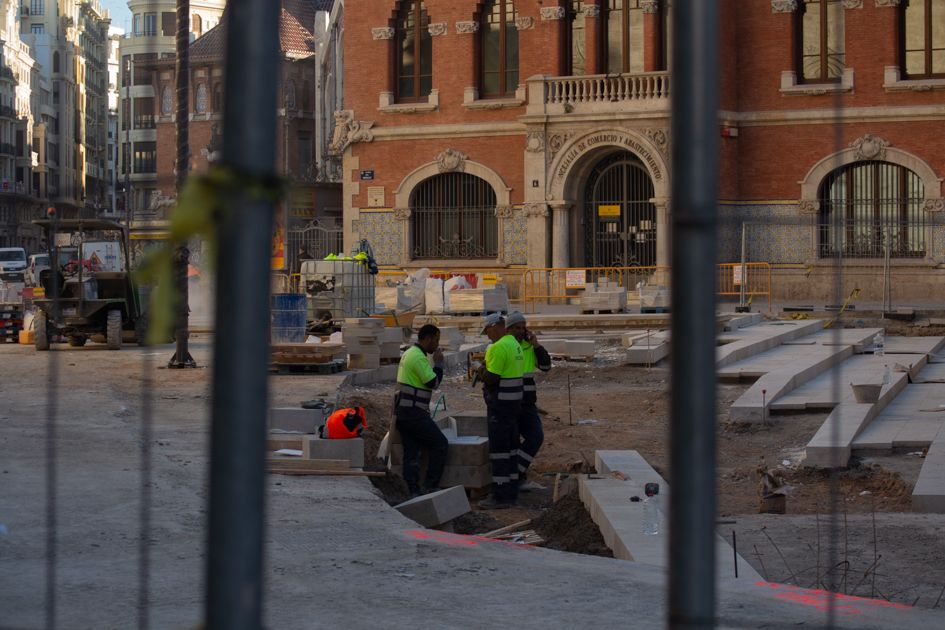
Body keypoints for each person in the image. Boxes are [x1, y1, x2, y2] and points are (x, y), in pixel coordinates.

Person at [477, 313, 525, 509]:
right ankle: (511, 490)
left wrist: (481, 371)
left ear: (495, 326)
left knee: (499, 453)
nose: (488, 336)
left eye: (487, 331)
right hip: (513, 408)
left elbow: (492, 378)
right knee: (512, 450)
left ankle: (500, 495)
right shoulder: (515, 345)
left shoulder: (498, 347)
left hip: (499, 408)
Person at [395, 324, 448, 498]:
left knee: (412, 452)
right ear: (427, 338)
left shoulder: (410, 353)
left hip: (405, 412)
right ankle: (431, 485)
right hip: (413, 413)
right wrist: (439, 365)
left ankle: (413, 490)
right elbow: (433, 383)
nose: (437, 344)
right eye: (436, 340)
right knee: (440, 443)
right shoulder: (417, 357)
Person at [505, 311, 551, 491]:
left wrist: (537, 345)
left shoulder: (529, 346)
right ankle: (518, 477)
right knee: (513, 441)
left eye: (523, 327)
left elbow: (546, 366)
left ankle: (515, 472)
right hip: (510, 402)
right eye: (517, 327)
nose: (521, 331)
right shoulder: (504, 346)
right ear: (508, 329)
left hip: (527, 403)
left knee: (535, 437)